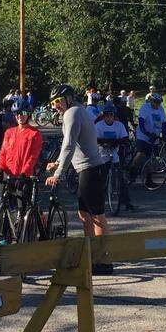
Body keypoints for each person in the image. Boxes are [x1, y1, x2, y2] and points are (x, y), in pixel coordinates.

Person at [45, 84, 111, 274]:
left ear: (68, 98)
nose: (56, 105)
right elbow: (70, 144)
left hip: (91, 169)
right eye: (53, 102)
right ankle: (90, 256)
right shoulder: (77, 110)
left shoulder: (72, 113)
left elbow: (68, 145)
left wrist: (58, 174)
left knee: (97, 216)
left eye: (58, 101)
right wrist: (57, 162)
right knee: (84, 215)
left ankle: (104, 261)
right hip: (86, 169)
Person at [95, 103, 133, 212]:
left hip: (114, 154)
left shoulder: (119, 125)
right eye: (106, 115)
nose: (109, 117)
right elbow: (95, 140)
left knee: (120, 178)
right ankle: (98, 203)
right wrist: (107, 142)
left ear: (114, 115)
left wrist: (117, 142)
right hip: (102, 155)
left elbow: (125, 139)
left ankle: (126, 202)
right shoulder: (98, 126)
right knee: (102, 180)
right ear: (103, 116)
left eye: (111, 115)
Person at [0, 104, 43, 181]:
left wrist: (24, 173)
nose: (19, 116)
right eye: (17, 113)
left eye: (23, 113)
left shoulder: (34, 133)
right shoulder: (9, 132)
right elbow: (3, 153)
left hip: (23, 177)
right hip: (7, 175)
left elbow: (33, 157)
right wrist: (0, 168)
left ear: (28, 115)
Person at [130, 92, 166, 183]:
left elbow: (164, 123)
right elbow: (141, 123)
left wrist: (164, 135)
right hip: (143, 136)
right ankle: (132, 172)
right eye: (155, 102)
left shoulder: (161, 109)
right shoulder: (145, 108)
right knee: (140, 154)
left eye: (159, 103)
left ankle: (149, 180)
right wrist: (146, 133)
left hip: (155, 136)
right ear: (151, 101)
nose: (157, 105)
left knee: (151, 158)